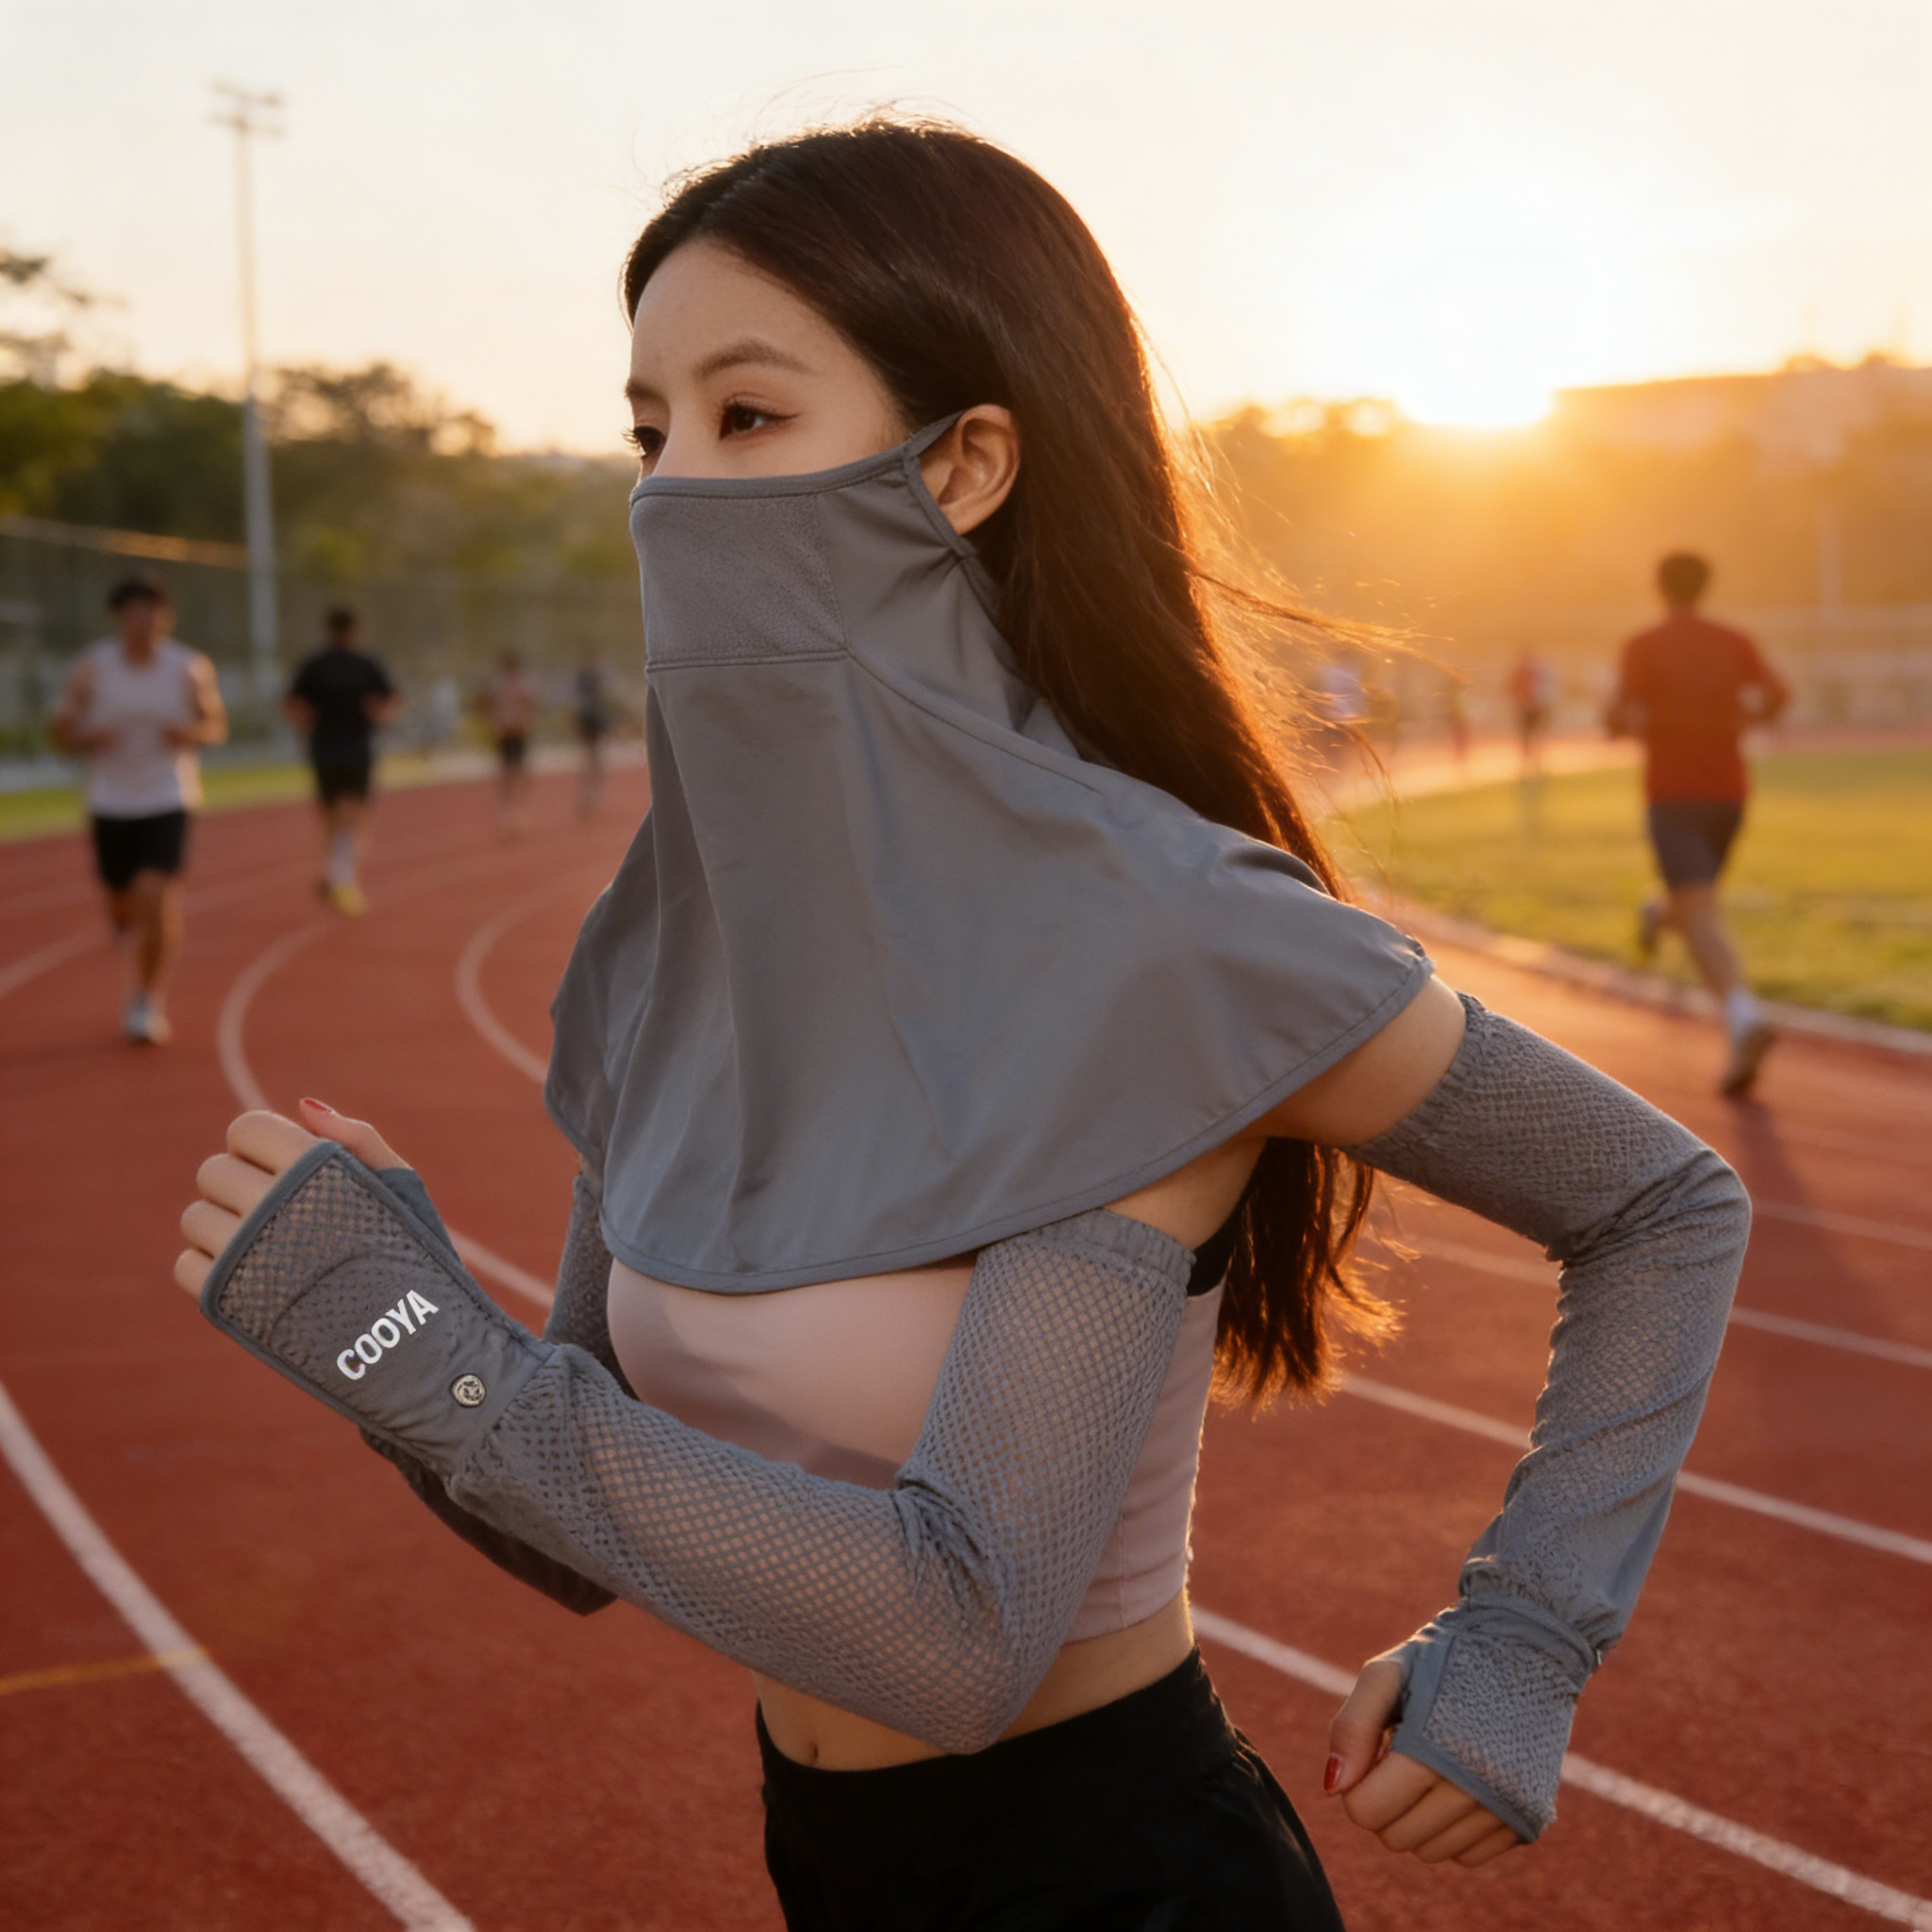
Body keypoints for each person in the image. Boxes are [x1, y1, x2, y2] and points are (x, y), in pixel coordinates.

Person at [176, 123, 1751, 1929]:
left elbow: (960, 1631)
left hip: (1120, 1880)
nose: (670, 490)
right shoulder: (680, 945)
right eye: (647, 429)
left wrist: (1528, 1631)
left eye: (746, 418)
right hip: (834, 1872)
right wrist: (396, 1329)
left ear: (965, 465)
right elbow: (575, 1523)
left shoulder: (1156, 940)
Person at [1609, 552, 1790, 1097]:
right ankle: (1655, 912)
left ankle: (1743, 1020)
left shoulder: (1643, 646)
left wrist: (1635, 722)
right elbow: (1779, 697)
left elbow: (1618, 715)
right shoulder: (1735, 641)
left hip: (1673, 794)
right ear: (1707, 585)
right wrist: (1738, 722)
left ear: (1658, 586)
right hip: (1730, 793)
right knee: (1697, 903)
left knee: (1700, 909)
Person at [50, 575, 225, 1043]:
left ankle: (146, 1000)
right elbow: (60, 732)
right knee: (121, 906)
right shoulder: (93, 668)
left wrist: (189, 733)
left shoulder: (187, 667)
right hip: (110, 802)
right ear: (118, 618)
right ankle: (128, 930)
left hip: (167, 797)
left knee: (156, 895)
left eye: (154, 614)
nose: (145, 623)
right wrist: (88, 736)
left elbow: (214, 726)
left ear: (165, 618)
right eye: (134, 614)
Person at [285, 607, 400, 914]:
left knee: (332, 816)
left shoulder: (315, 664)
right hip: (354, 750)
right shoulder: (364, 664)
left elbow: (291, 703)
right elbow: (391, 700)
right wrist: (382, 717)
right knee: (351, 815)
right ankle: (342, 877)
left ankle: (334, 871)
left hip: (324, 749)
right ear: (354, 630)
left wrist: (305, 724)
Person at [484, 650, 542, 832]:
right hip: (504, 733)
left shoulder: (525, 683)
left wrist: (528, 723)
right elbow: (488, 704)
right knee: (506, 773)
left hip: (519, 733)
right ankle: (507, 810)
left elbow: (531, 705)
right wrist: (494, 724)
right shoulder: (497, 685)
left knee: (520, 772)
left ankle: (520, 809)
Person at [571, 650, 613, 819]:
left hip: (596, 723)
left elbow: (603, 703)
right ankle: (586, 796)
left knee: (596, 762)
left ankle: (592, 795)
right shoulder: (583, 680)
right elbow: (578, 705)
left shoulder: (598, 678)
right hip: (588, 723)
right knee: (590, 761)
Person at [1506, 651, 1556, 775]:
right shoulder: (1534, 670)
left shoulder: (1525, 670)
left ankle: (1533, 762)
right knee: (1533, 734)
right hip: (1532, 706)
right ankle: (1534, 763)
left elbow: (1511, 687)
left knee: (1530, 735)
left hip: (1530, 706)